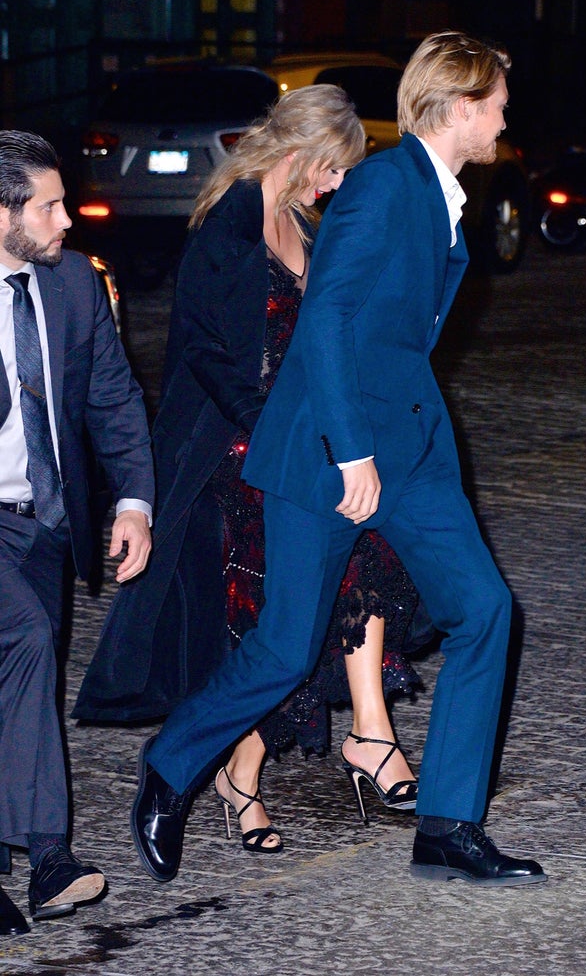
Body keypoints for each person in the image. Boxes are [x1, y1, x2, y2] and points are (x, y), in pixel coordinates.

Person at [131, 29, 547, 887]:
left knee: (486, 608)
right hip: (328, 447)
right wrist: (351, 453)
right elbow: (325, 318)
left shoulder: (442, 204)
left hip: (413, 450)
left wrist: (396, 448)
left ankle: (448, 825)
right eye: (499, 104)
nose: (506, 118)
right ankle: (171, 766)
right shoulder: (381, 189)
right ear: (463, 106)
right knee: (285, 649)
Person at [75, 83, 423, 861]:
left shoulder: (304, 221)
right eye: (332, 170)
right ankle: (245, 770)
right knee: (275, 612)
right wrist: (275, 431)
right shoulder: (228, 224)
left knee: (362, 558)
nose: (336, 187)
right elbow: (202, 351)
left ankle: (349, 738)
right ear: (301, 154)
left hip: (300, 441)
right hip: (234, 445)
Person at [0, 130, 154, 935]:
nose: (68, 218)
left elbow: (114, 397)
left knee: (24, 676)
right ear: (2, 212)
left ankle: (22, 861)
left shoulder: (73, 286)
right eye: (50, 205)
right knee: (21, 639)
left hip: (46, 521)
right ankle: (51, 853)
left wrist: (133, 502)